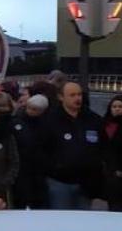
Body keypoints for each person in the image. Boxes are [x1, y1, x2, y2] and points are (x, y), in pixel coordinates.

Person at [44, 82, 105, 210]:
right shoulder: (50, 120)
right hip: (59, 183)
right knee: (61, 222)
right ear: (61, 97)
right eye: (72, 95)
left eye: (79, 95)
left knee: (83, 224)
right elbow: (42, 150)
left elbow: (103, 149)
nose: (77, 98)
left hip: (86, 184)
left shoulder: (93, 120)